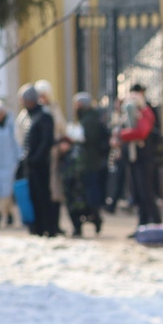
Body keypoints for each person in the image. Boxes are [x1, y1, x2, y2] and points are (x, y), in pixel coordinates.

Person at [115, 82, 162, 224]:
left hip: (145, 158)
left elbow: (141, 132)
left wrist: (122, 135)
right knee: (138, 194)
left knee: (147, 193)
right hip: (134, 158)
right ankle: (142, 224)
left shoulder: (146, 112)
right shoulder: (132, 115)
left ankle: (156, 222)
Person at [64, 91, 110, 235]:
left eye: (77, 105)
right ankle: (87, 221)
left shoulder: (90, 120)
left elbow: (90, 139)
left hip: (89, 164)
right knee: (83, 195)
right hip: (84, 164)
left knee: (89, 195)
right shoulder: (87, 118)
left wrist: (76, 138)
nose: (75, 108)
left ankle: (94, 219)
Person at [19, 83, 59, 236]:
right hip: (32, 165)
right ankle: (38, 226)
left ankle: (48, 227)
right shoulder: (31, 117)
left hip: (40, 165)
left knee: (43, 196)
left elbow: (46, 141)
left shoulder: (44, 116)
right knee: (34, 196)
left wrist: (35, 159)